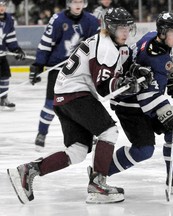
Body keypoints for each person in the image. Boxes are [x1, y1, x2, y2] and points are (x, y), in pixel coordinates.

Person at [7, 7, 147, 204]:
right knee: (109, 132)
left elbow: (120, 64)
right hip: (76, 94)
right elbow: (104, 89)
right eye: (121, 28)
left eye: (127, 28)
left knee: (78, 151)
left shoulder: (108, 42)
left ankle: (28, 170)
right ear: (110, 28)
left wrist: (133, 70)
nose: (125, 32)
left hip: (64, 96)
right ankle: (98, 185)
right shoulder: (105, 47)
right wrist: (124, 85)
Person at [108, 11, 173, 194]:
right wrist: (166, 110)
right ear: (162, 32)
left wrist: (172, 75)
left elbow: (152, 77)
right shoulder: (154, 56)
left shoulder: (152, 38)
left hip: (142, 97)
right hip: (130, 104)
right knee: (144, 150)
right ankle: (101, 171)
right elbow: (146, 95)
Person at [29, 0, 100, 151]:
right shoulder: (58, 20)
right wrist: (38, 64)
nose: (78, 4)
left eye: (80, 1)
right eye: (75, 1)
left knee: (85, 103)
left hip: (81, 70)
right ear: (69, 3)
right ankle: (42, 133)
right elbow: (45, 43)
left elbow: (97, 46)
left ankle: (89, 133)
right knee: (51, 103)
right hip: (59, 68)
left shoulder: (92, 21)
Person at [0, 0, 25, 111]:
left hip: (1, 55)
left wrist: (16, 49)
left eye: (3, 5)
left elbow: (10, 38)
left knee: (5, 74)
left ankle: (3, 98)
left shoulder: (9, 19)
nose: (2, 7)